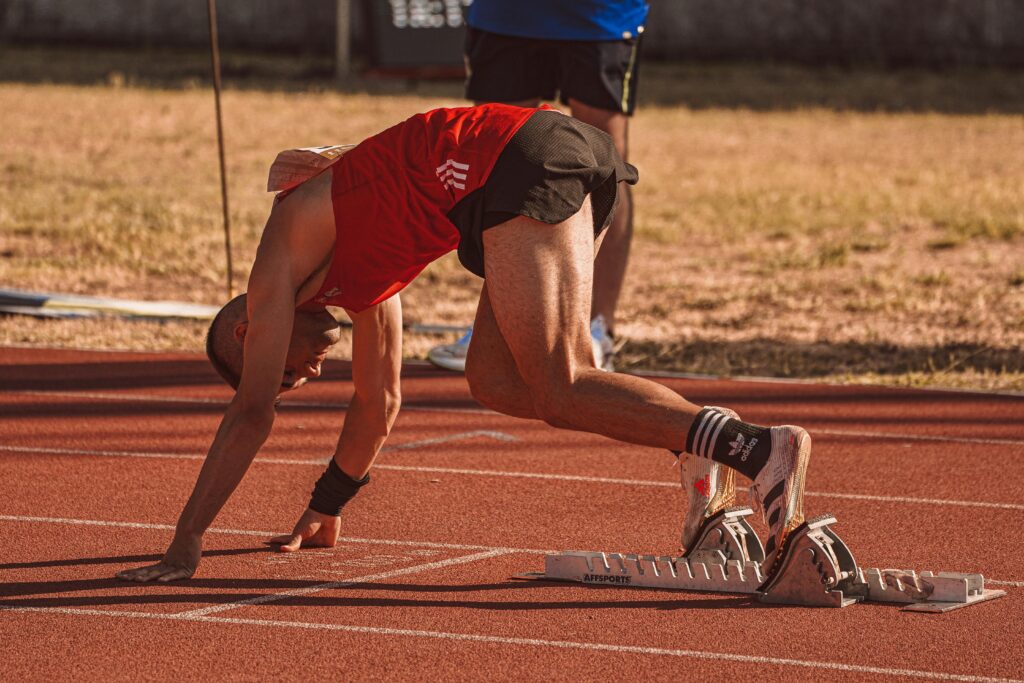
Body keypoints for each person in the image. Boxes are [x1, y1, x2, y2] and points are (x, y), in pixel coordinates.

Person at [115, 103, 812, 585]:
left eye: (287, 369)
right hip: (538, 168)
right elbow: (379, 398)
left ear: (246, 331)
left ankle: (760, 450)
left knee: (559, 377)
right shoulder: (360, 281)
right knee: (496, 378)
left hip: (518, 164)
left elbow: (251, 410)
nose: (304, 371)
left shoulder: (277, 264)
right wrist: (327, 503)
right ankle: (699, 453)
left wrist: (187, 540)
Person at [427, 0, 648, 373]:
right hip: (507, 14)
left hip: (599, 15)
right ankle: (495, 329)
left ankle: (598, 328)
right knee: (493, 154)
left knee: (606, 160)